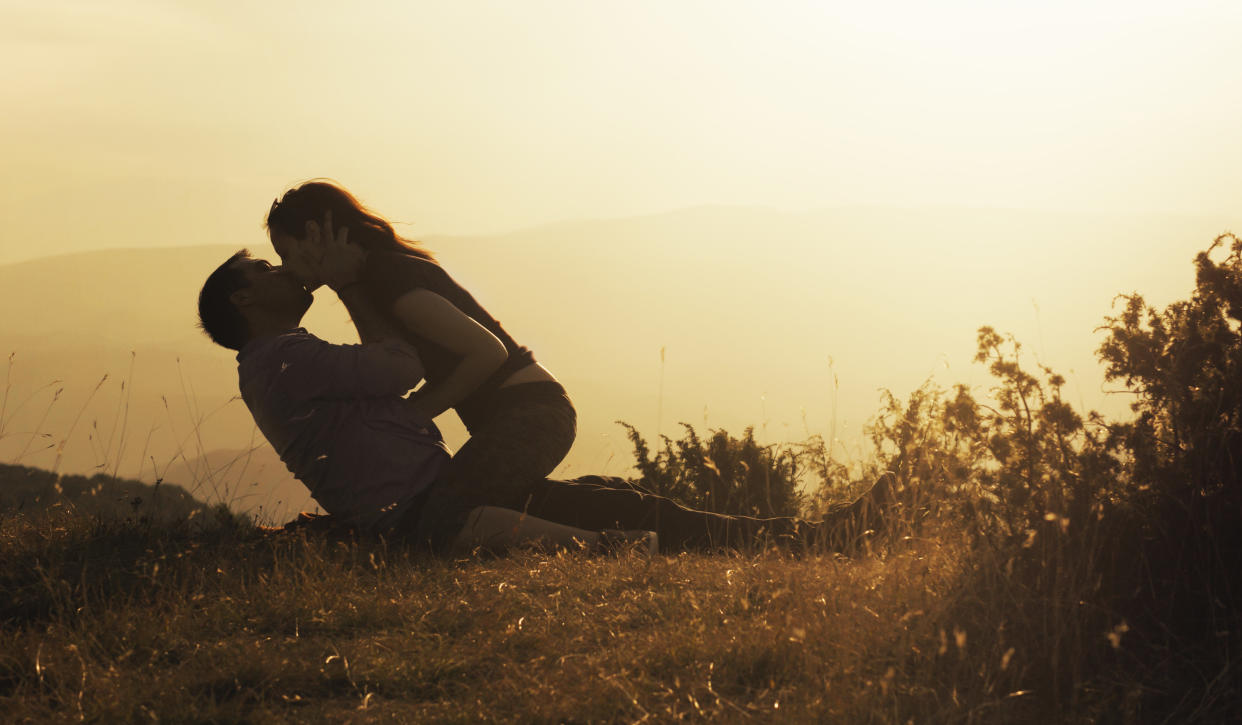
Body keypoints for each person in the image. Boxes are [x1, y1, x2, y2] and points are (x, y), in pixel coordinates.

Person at [196, 247, 890, 554]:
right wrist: (350, 284)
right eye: (266, 267)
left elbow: (390, 382)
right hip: (437, 510)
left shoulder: (281, 360)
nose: (284, 270)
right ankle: (817, 539)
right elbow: (398, 364)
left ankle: (813, 537)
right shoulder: (285, 357)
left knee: (616, 496)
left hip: (443, 496)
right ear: (244, 298)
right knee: (620, 511)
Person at [264, 181, 574, 550]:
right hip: (525, 411)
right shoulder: (372, 276)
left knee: (444, 519)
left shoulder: (388, 276)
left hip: (531, 413)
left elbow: (487, 352)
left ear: (314, 233)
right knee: (493, 504)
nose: (287, 270)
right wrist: (345, 286)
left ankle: (612, 543)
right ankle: (638, 510)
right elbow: (385, 362)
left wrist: (416, 413)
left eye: (286, 253)